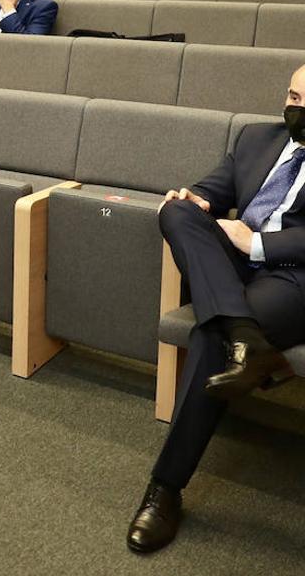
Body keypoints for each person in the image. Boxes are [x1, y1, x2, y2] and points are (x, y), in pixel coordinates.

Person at [126, 66, 305, 554]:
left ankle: (165, 490)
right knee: (174, 209)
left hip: (291, 277)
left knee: (211, 332)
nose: (297, 108)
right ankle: (249, 339)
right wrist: (199, 199)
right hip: (230, 266)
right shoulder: (256, 138)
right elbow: (211, 190)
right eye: (293, 96)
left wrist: (259, 242)